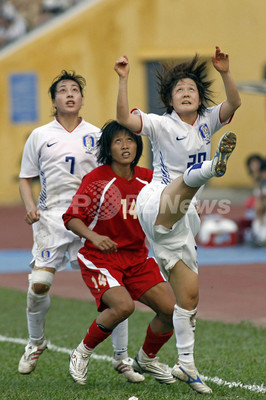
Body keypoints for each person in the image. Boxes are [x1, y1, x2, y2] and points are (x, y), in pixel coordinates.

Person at [114, 46, 241, 394]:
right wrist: (123, 79)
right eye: (179, 90)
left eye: (192, 89)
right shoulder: (160, 123)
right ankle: (212, 168)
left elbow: (234, 104)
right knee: (184, 183)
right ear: (170, 100)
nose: (186, 92)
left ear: (200, 98)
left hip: (184, 217)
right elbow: (125, 119)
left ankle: (185, 364)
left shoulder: (208, 121)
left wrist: (225, 72)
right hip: (157, 202)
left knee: (189, 300)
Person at [18, 70, 141, 383]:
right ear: (54, 100)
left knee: (116, 290)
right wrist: (30, 206)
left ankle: (121, 357)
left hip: (91, 218)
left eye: (75, 90)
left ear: (82, 99)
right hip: (51, 217)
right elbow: (25, 177)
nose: (70, 94)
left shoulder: (98, 134)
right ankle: (35, 342)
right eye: (63, 90)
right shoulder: (40, 135)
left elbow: (112, 172)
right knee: (39, 285)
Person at [63, 120, 177, 386]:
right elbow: (71, 218)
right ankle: (82, 353)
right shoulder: (96, 180)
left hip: (137, 258)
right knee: (123, 307)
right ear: (108, 147)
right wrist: (94, 236)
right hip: (100, 258)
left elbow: (172, 202)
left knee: (172, 311)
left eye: (130, 140)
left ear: (138, 145)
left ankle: (147, 358)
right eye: (118, 141)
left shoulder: (149, 179)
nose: (125, 145)